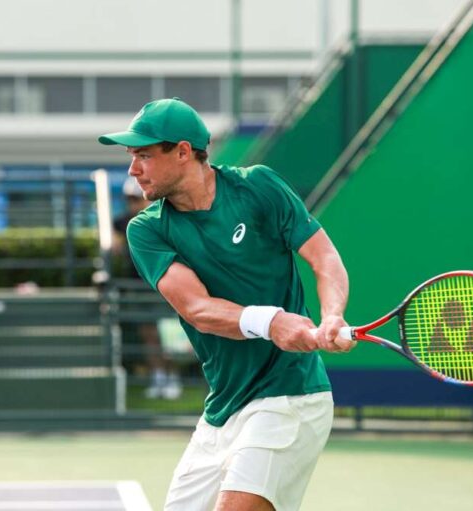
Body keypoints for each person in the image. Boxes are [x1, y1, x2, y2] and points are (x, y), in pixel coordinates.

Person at [98, 97, 354, 511]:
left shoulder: (259, 187)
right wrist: (273, 322)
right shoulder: (147, 230)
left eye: (143, 155)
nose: (133, 169)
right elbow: (198, 310)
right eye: (132, 157)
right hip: (223, 409)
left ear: (183, 152)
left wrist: (332, 315)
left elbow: (324, 258)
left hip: (289, 396)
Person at [113, 177, 181, 400]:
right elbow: (114, 248)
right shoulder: (122, 223)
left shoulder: (162, 219)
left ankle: (172, 377)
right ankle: (158, 377)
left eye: (137, 198)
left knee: (168, 335)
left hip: (163, 284)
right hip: (138, 286)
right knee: (148, 335)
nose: (134, 203)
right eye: (130, 199)